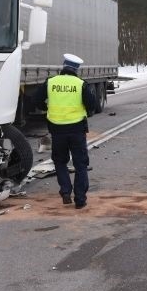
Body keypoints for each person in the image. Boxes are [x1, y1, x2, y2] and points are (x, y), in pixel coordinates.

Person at [33, 53, 98, 209]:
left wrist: (47, 107)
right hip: (77, 130)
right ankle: (80, 199)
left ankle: (66, 192)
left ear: (63, 67)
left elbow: (36, 101)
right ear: (76, 69)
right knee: (80, 164)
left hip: (57, 129)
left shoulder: (50, 82)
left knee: (60, 162)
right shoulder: (80, 83)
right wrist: (86, 112)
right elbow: (92, 105)